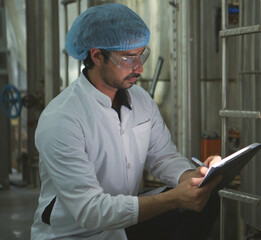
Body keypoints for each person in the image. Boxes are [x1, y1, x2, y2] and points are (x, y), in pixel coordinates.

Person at [31, 3, 221, 240]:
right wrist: (173, 198)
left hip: (121, 225)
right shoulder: (62, 119)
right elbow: (89, 211)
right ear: (97, 56)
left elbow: (163, 157)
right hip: (76, 233)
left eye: (142, 55)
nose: (140, 68)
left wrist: (193, 178)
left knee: (206, 198)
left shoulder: (141, 100)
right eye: (129, 58)